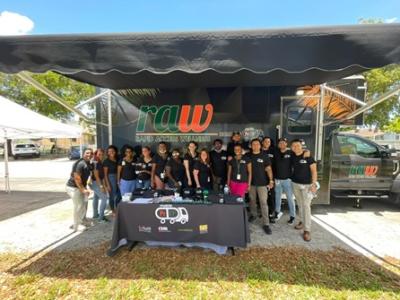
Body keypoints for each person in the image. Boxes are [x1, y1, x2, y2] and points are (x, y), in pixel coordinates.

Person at [291, 139, 318, 242]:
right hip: (295, 184)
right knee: (300, 204)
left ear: (301, 146)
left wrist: (314, 184)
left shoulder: (308, 156)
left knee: (306, 206)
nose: (296, 147)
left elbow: (314, 171)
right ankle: (302, 222)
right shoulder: (292, 156)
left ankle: (307, 230)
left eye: (297, 145)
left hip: (307, 185)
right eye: (293, 146)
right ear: (292, 147)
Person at [248, 138, 274, 235]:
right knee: (252, 201)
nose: (255, 146)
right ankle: (253, 215)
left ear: (260, 145)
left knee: (263, 203)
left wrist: (271, 180)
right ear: (251, 146)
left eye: (257, 144)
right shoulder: (248, 155)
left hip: (262, 183)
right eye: (253, 144)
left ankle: (266, 224)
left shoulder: (264, 155)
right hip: (251, 183)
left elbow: (268, 169)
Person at [65, 148, 93, 232]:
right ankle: (76, 226)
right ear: (83, 153)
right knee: (78, 206)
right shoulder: (80, 164)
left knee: (85, 204)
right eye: (87, 153)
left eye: (91, 153)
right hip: (73, 188)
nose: (89, 155)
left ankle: (82, 220)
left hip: (81, 187)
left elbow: (89, 174)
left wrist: (86, 187)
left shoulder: (88, 163)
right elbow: (77, 178)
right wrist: (83, 190)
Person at [273, 138, 296, 224]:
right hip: (277, 179)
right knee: (277, 197)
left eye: (283, 143)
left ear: (286, 144)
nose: (282, 144)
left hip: (287, 180)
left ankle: (292, 216)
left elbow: (296, 162)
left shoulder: (291, 153)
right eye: (280, 143)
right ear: (278, 145)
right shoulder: (276, 152)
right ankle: (277, 213)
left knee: (290, 198)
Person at [90, 148, 109, 223]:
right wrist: (101, 186)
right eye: (99, 154)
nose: (101, 156)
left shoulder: (99, 161)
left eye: (102, 154)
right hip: (96, 182)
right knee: (104, 198)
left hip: (96, 182)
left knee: (96, 197)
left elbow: (101, 176)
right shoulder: (96, 162)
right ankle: (101, 218)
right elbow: (96, 175)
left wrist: (103, 184)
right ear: (96, 154)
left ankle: (95, 215)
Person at [262, 136, 276, 223]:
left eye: (269, 142)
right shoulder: (258, 151)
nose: (267, 143)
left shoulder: (274, 151)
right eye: (266, 141)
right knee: (263, 197)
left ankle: (271, 214)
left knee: (271, 196)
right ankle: (264, 212)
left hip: (271, 177)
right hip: (261, 177)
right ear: (262, 142)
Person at [103, 145, 119, 214]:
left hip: (118, 177)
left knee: (118, 195)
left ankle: (117, 208)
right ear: (107, 153)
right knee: (112, 195)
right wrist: (108, 185)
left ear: (115, 152)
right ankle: (113, 210)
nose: (111, 152)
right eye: (109, 151)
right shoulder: (106, 161)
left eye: (113, 151)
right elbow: (105, 174)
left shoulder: (117, 159)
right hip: (110, 178)